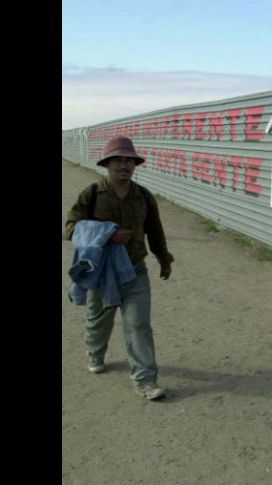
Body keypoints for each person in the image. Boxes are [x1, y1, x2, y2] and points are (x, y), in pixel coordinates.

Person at [65, 136, 174, 401]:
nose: (123, 165)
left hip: (135, 270)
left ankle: (146, 380)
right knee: (99, 321)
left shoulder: (144, 197)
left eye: (129, 160)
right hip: (102, 273)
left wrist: (163, 258)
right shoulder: (91, 194)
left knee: (138, 325)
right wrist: (106, 235)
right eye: (118, 160)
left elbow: (154, 230)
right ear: (107, 164)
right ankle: (95, 351)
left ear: (135, 164)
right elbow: (70, 228)